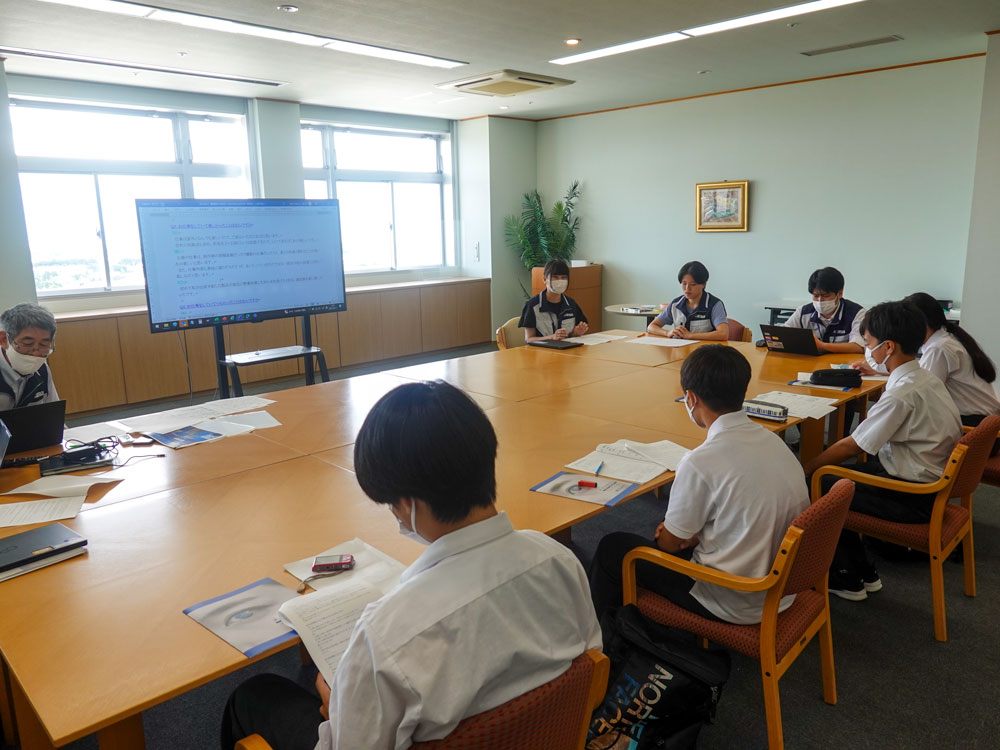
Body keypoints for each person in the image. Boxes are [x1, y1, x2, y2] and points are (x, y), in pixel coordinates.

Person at [221, 380, 601, 750]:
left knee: (254, 696)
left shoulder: (385, 637)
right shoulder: (559, 559)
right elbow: (591, 668)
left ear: (407, 503)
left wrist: (339, 712)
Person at [589, 345, 809, 625]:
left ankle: (607, 639)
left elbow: (668, 545)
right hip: (782, 584)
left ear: (690, 398)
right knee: (686, 526)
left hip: (733, 597)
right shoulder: (774, 441)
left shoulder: (701, 461)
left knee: (614, 548)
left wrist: (677, 534)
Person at [803, 301, 962, 601]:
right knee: (841, 476)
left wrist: (808, 466)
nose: (867, 351)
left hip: (912, 495)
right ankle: (864, 571)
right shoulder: (923, 378)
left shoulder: (901, 394)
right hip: (927, 480)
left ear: (888, 347)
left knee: (823, 482)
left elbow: (854, 444)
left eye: (869, 344)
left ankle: (847, 577)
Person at [901, 293, 999, 450]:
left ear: (922, 323)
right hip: (986, 427)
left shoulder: (938, 348)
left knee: (896, 433)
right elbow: (923, 375)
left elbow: (922, 392)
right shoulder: (946, 339)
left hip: (974, 430)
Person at [782, 266, 865, 353]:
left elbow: (858, 347)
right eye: (816, 296)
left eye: (826, 296)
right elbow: (783, 334)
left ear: (839, 294)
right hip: (811, 363)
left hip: (842, 364)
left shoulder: (857, 314)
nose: (820, 301)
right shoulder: (803, 312)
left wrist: (822, 346)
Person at [646, 260, 729, 341]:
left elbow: (723, 334)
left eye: (693, 284)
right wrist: (667, 333)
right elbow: (651, 327)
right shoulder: (676, 304)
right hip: (679, 351)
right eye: (684, 283)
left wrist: (691, 336)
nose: (687, 288)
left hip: (705, 352)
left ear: (704, 284)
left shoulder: (714, 304)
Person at [0, 303, 59, 411]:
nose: (36, 354)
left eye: (44, 345)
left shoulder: (41, 369)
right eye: (27, 343)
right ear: (4, 340)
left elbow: (52, 411)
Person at [518, 258, 589, 342]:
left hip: (567, 351)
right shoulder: (532, 305)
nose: (560, 281)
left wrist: (575, 333)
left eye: (563, 278)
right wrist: (552, 337)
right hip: (541, 352)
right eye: (555, 277)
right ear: (544, 279)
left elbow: (573, 333)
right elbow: (529, 339)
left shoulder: (571, 304)